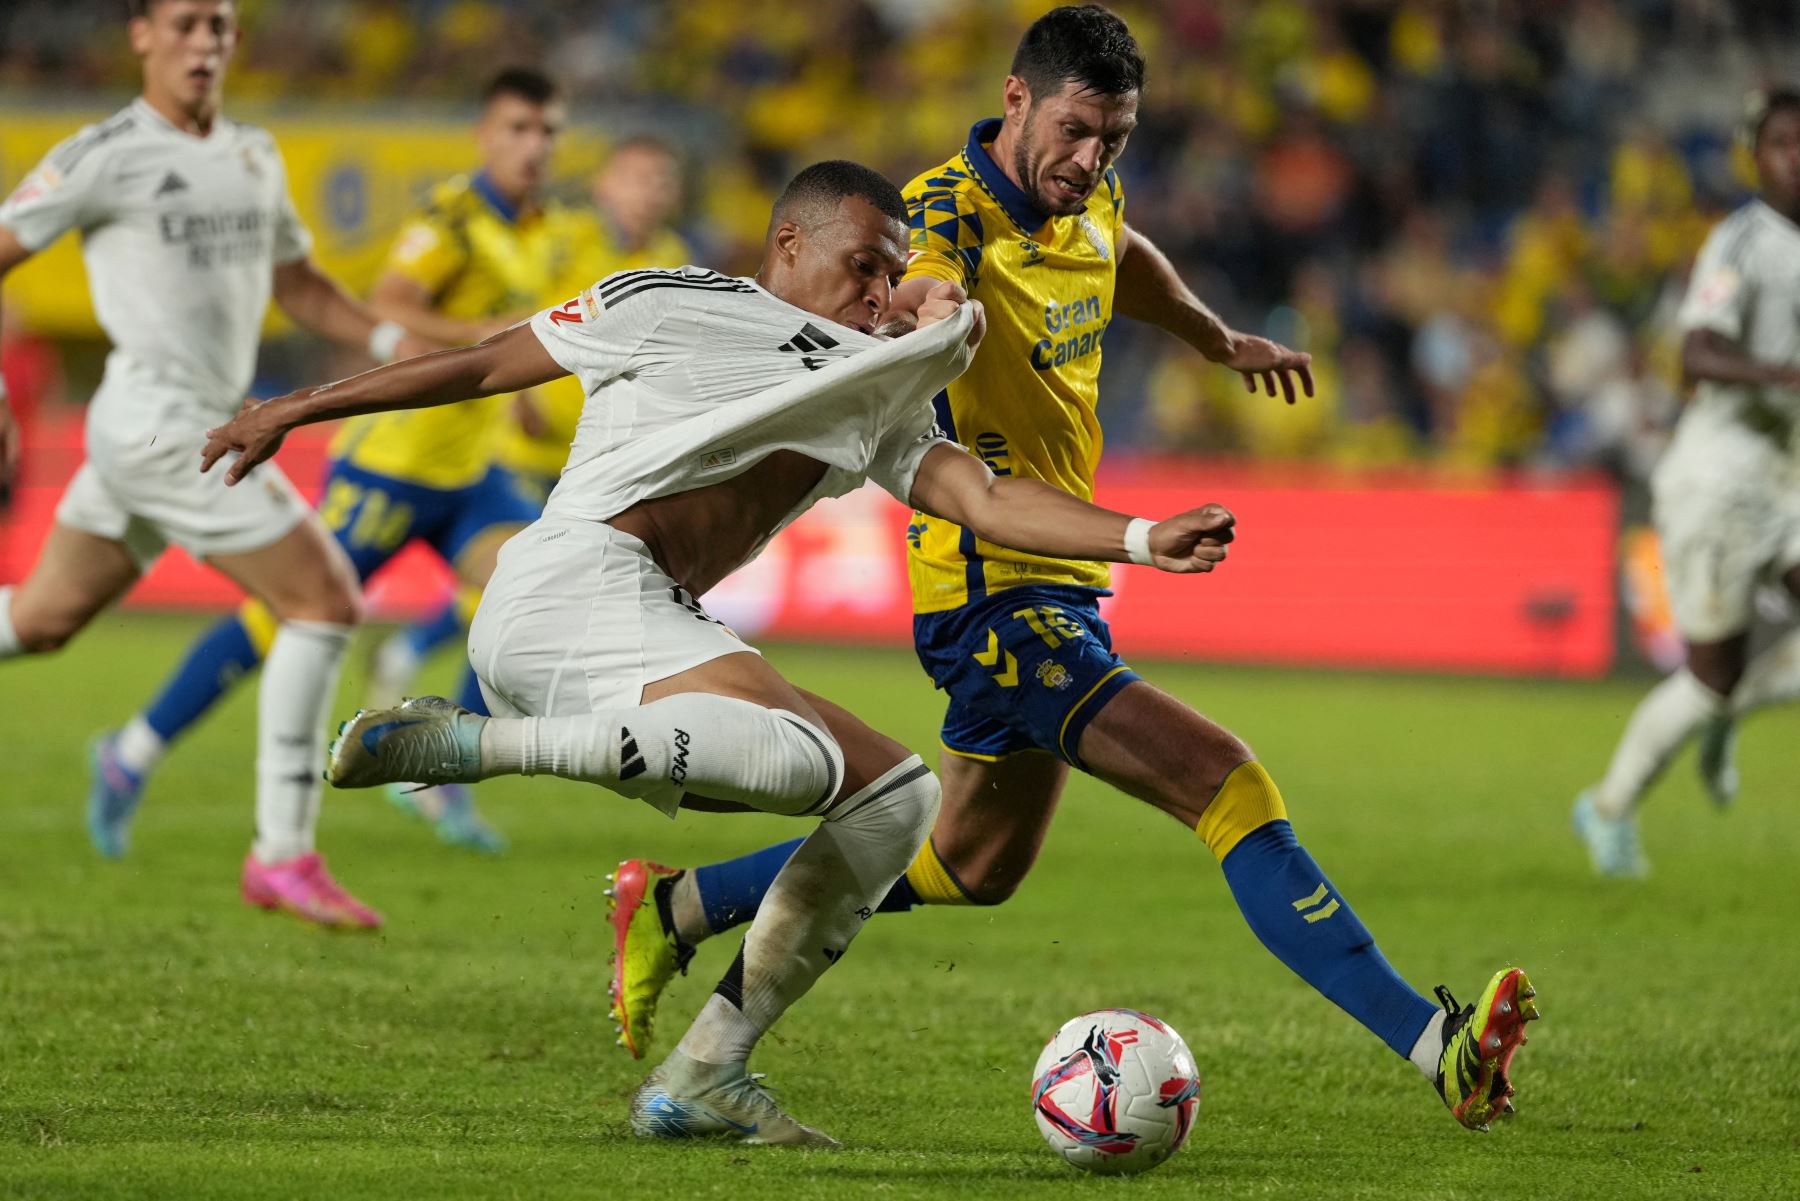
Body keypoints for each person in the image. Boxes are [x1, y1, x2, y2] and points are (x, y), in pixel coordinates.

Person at [605, 4, 1537, 1132]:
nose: (1093, 160)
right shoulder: (940, 212)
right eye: (1078, 131)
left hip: (1058, 585)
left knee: (969, 861)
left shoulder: (1089, 195)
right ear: (1015, 100)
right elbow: (916, 286)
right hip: (991, 590)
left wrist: (1211, 336)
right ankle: (1440, 1049)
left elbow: (1123, 256)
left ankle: (680, 905)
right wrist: (929, 310)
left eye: (1118, 140)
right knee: (1226, 780)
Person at [200, 159, 1245, 1146]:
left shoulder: (871, 382)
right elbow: (480, 362)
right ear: (789, 240)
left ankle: (705, 1072)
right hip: (570, 579)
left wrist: (1141, 539)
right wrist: (294, 407)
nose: (881, 295)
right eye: (865, 267)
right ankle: (473, 743)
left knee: (893, 801)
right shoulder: (663, 299)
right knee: (802, 759)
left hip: (648, 620)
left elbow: (980, 497)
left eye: (895, 276)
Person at [86, 66, 584, 859]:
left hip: (469, 473)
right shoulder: (448, 222)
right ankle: (131, 751)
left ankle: (439, 774)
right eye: (519, 129)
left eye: (547, 131)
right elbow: (383, 305)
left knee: (529, 583)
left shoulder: (545, 227)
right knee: (276, 616)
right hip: (387, 468)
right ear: (485, 136)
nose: (534, 146)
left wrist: (513, 385)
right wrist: (488, 330)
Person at [0, 0, 424, 928]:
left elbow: (301, 286)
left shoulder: (253, 153)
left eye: (220, 27)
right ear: (141, 35)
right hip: (167, 427)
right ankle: (283, 853)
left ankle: (183, 793)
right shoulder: (101, 153)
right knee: (324, 600)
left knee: (41, 620)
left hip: (151, 426)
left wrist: (401, 338)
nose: (204, 44)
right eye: (186, 24)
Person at [370, 136, 694, 704]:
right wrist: (517, 394)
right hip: (523, 449)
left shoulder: (674, 257)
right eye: (635, 178)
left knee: (534, 592)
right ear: (604, 186)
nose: (648, 193)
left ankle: (419, 667)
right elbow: (520, 316)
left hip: (600, 457)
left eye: (661, 182)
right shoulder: (564, 241)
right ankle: (447, 730)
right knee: (525, 588)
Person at [1574, 87, 1800, 874]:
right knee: (1709, 677)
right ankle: (1608, 806)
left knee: (1727, 678)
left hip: (1787, 479)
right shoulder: (1740, 244)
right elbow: (1696, 354)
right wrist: (1784, 375)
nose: (1797, 155)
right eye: (1782, 142)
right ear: (1756, 156)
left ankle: (1726, 717)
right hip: (1718, 483)